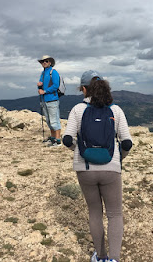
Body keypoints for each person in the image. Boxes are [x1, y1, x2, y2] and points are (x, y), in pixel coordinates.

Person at [63, 70, 132, 262]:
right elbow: (127, 142)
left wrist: (80, 151)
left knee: (94, 211)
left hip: (84, 168)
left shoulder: (77, 110)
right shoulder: (116, 110)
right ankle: (114, 259)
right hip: (111, 168)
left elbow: (67, 139)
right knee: (115, 214)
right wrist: (119, 159)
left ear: (84, 89)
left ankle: (100, 256)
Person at [37, 55, 62, 146]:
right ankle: (53, 138)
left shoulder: (53, 72)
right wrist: (39, 86)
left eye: (46, 61)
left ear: (50, 62)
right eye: (43, 61)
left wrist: (45, 91)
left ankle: (58, 140)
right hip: (45, 100)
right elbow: (41, 84)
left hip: (52, 100)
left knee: (54, 120)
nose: (44, 63)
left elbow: (56, 85)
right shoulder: (43, 73)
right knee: (49, 120)